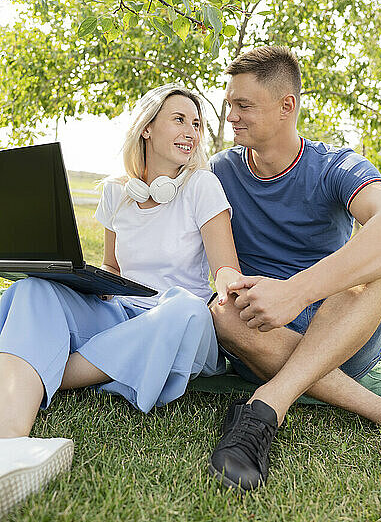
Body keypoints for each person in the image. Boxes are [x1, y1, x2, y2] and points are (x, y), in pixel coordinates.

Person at [0, 84, 241, 516]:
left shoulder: (202, 186)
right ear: (147, 128)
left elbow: (225, 268)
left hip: (181, 319)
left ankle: (35, 366)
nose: (193, 131)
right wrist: (93, 282)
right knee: (35, 289)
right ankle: (11, 446)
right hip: (124, 309)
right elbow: (112, 266)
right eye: (180, 119)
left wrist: (230, 290)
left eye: (198, 124)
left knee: (184, 309)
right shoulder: (117, 192)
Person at [207, 45, 381, 492]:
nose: (231, 116)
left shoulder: (334, 164)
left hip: (342, 331)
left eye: (243, 105)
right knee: (221, 312)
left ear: (286, 106)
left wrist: (296, 291)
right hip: (259, 335)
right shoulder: (218, 171)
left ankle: (265, 407)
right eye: (229, 104)